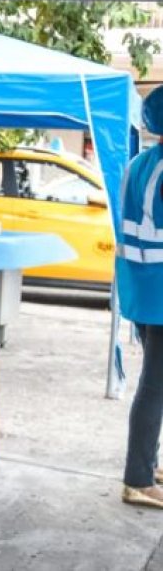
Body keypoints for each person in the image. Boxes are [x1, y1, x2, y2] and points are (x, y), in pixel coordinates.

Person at [119, 87, 163, 508]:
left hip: (143, 287)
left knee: (155, 383)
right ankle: (137, 478)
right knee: (155, 386)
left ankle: (147, 463)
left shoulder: (139, 164)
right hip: (161, 290)